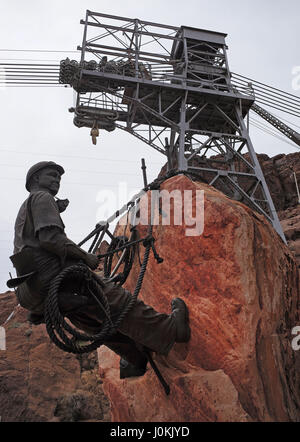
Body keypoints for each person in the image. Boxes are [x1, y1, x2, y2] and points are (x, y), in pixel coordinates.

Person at [8, 161, 191, 377]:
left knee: (94, 319)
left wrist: (55, 209)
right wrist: (85, 257)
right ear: (35, 180)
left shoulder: (27, 207)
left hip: (33, 292)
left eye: (59, 177)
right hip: (54, 277)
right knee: (116, 300)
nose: (57, 179)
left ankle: (135, 357)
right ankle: (172, 330)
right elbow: (51, 238)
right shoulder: (41, 198)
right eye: (51, 175)